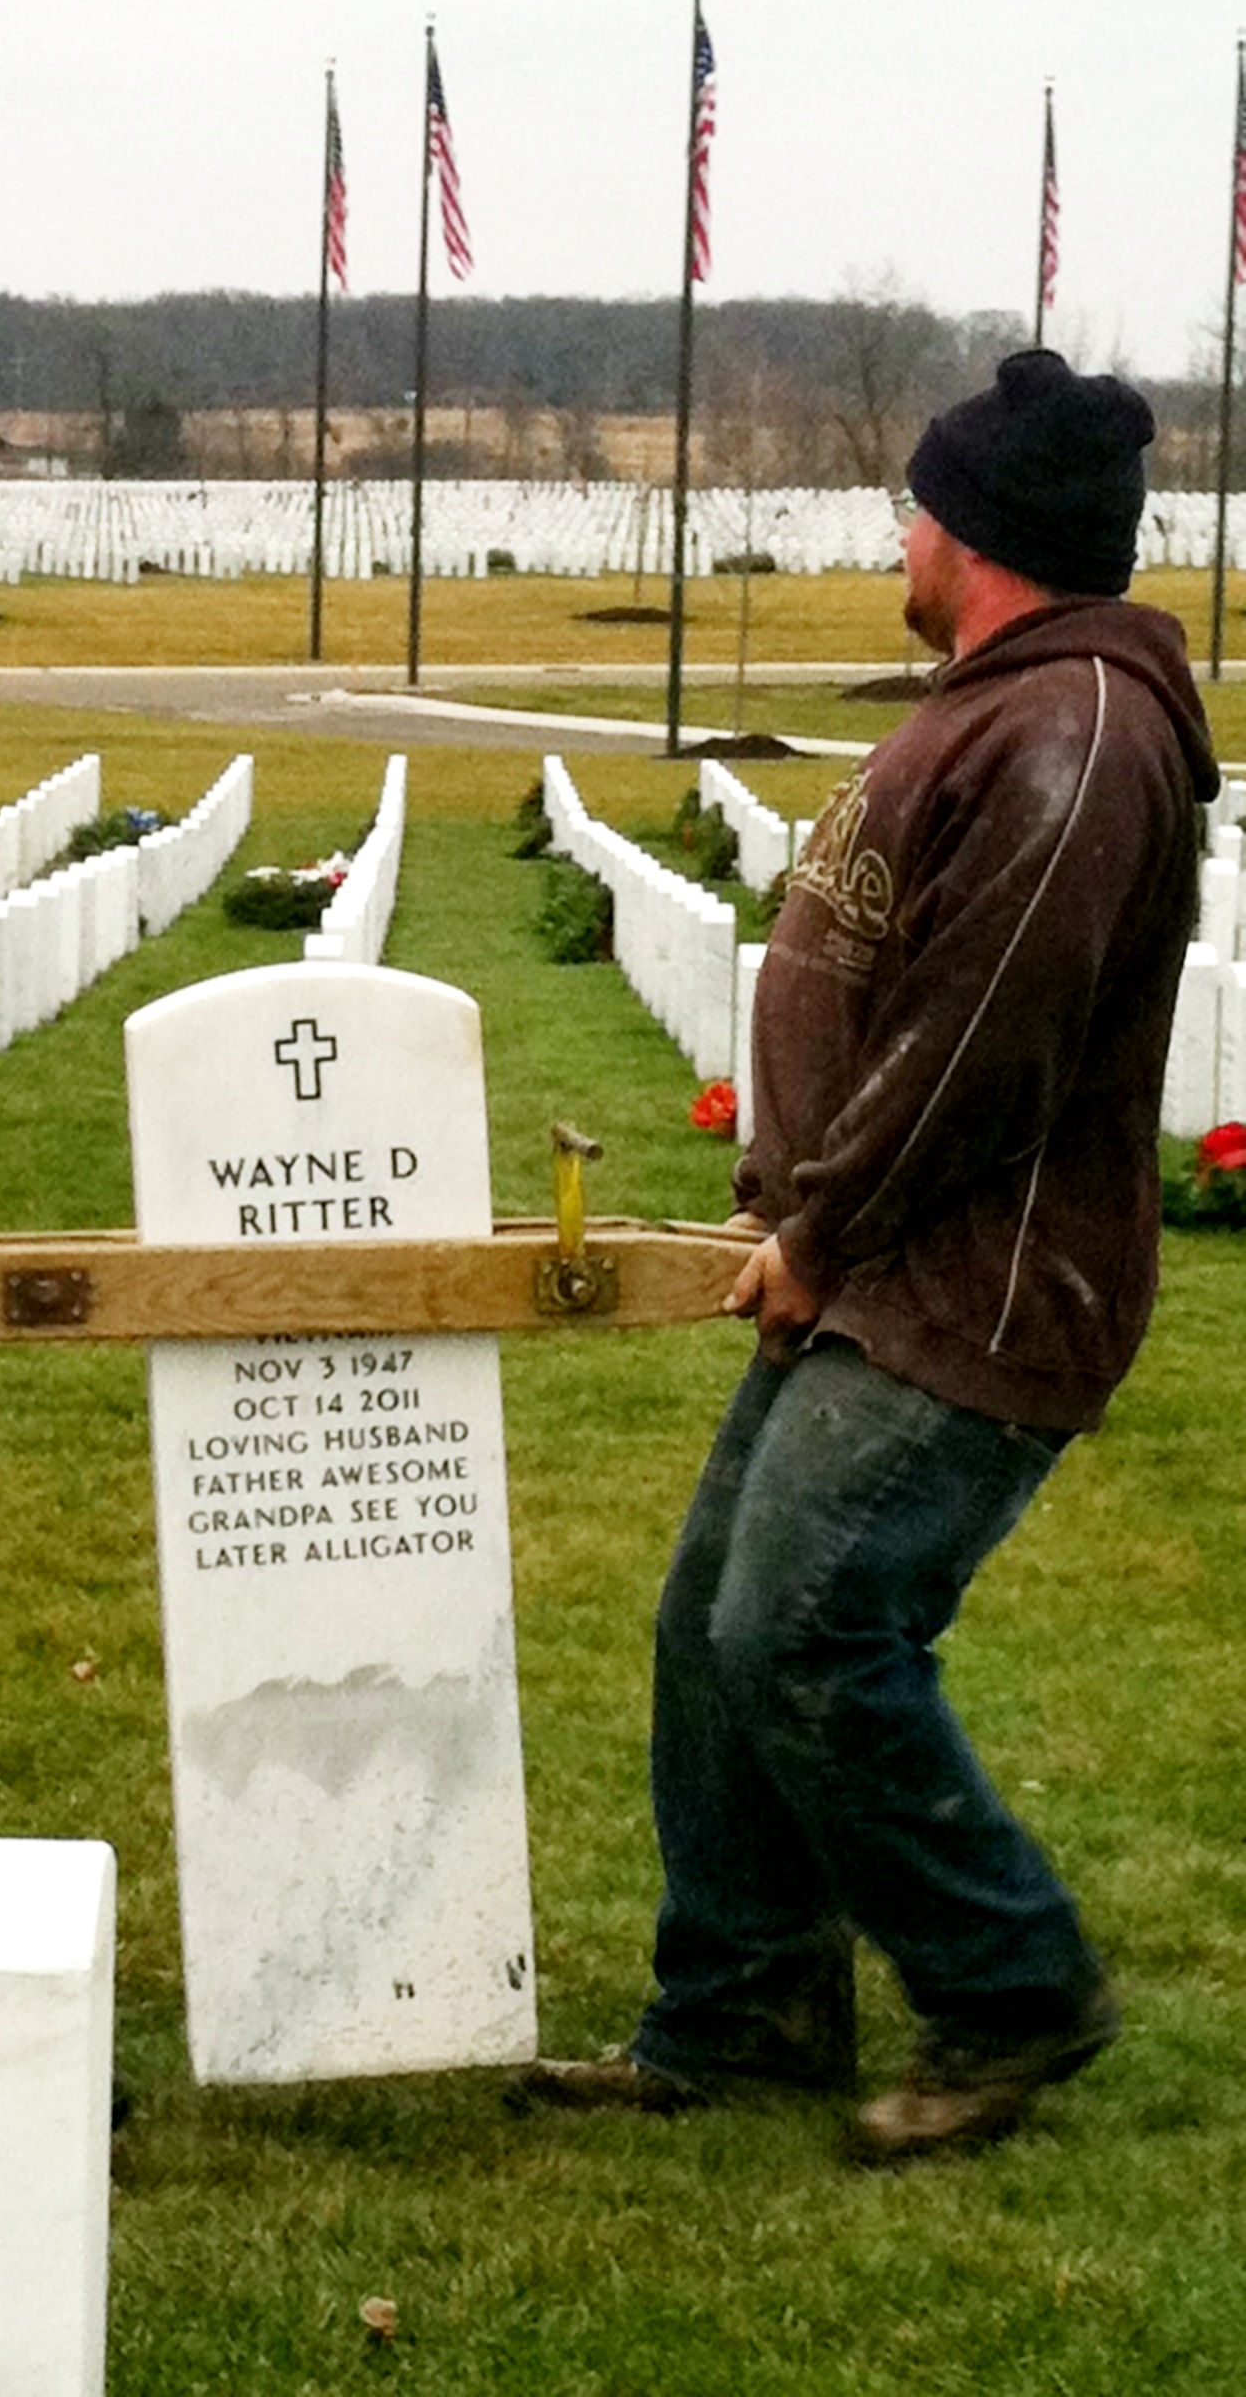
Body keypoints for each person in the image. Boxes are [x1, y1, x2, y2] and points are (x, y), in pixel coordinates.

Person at [521, 349, 1218, 2162]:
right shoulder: (1001, 706)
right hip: (882, 1264)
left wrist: (824, 1227)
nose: (898, 533)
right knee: (714, 1629)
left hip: (976, 1287)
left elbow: (984, 1041)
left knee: (807, 1627)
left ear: (977, 532)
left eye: (917, 506)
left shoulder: (1077, 734)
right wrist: (801, 1204)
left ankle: (1011, 1984)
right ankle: (744, 2007)